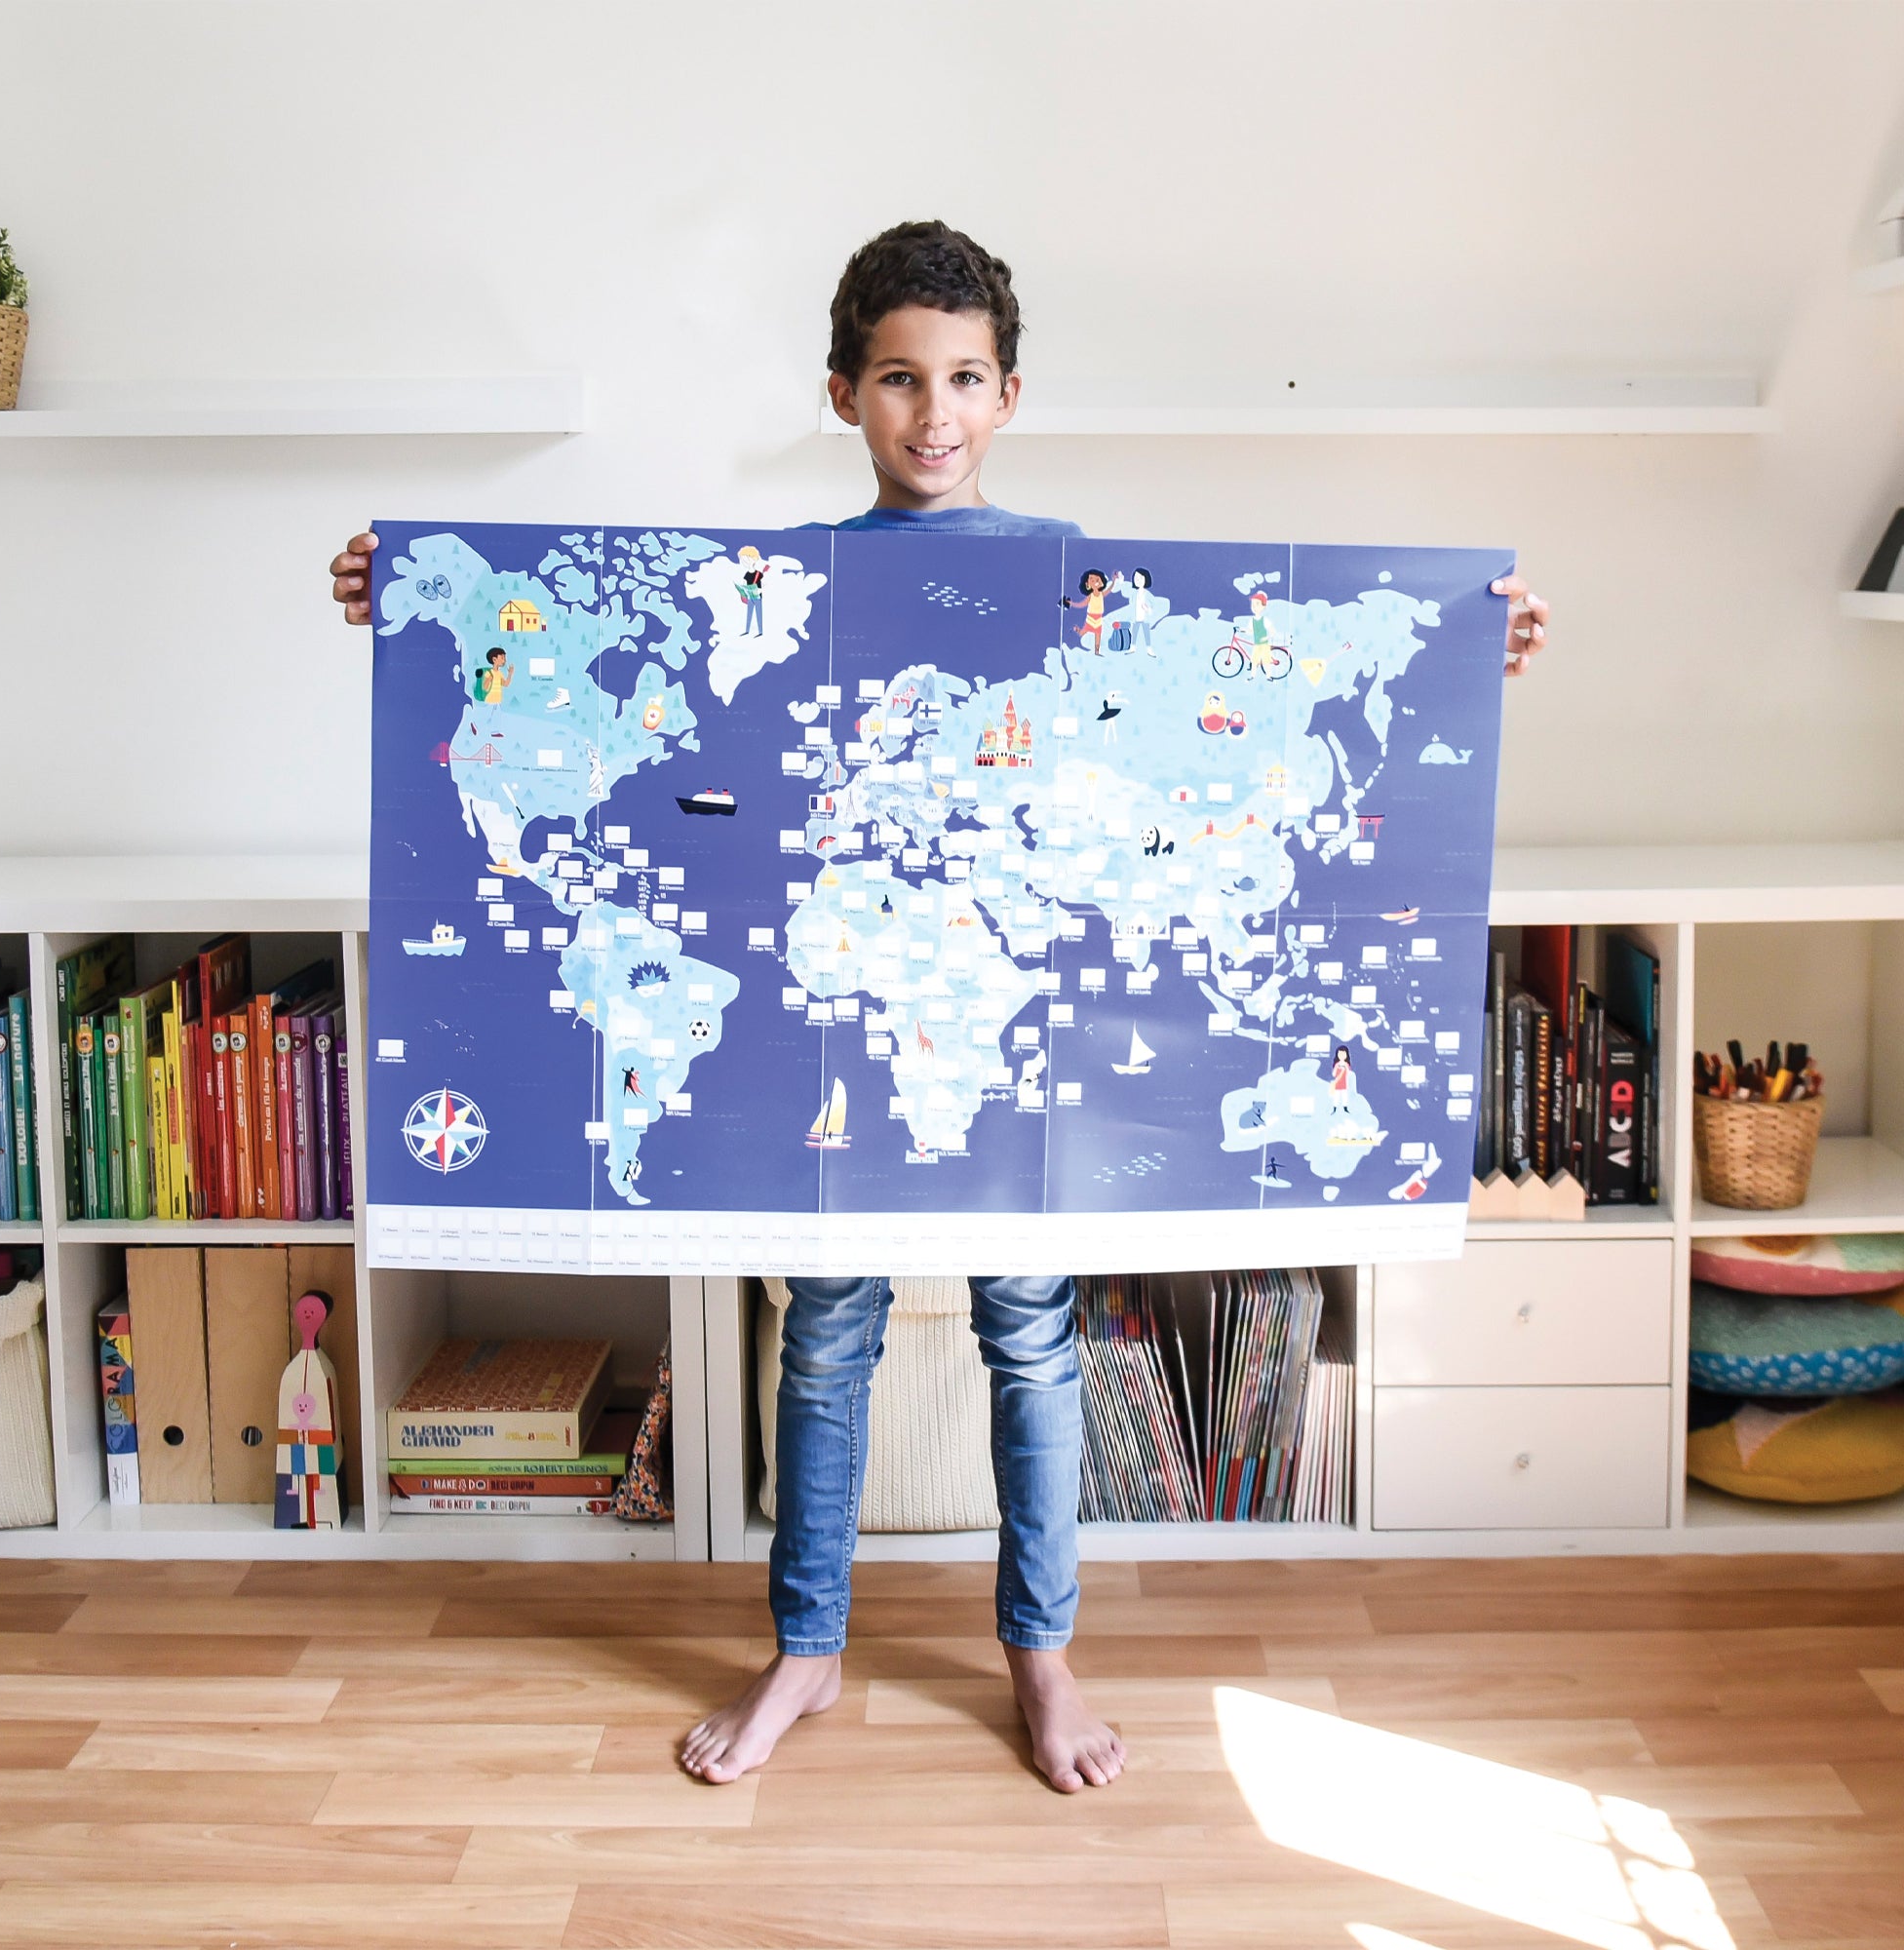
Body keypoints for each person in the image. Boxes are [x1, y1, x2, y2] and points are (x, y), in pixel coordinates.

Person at [326, 218, 1553, 1794]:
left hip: (1008, 1015)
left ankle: (1042, 1661)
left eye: (964, 378)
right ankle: (809, 1653)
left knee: (1028, 1338)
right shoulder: (797, 585)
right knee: (826, 1338)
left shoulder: (1073, 580)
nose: (934, 412)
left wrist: (1470, 642)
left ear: (1013, 392)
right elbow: (652, 695)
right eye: (899, 379)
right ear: (843, 394)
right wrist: (406, 602)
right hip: (848, 1005)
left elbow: (1211, 684)